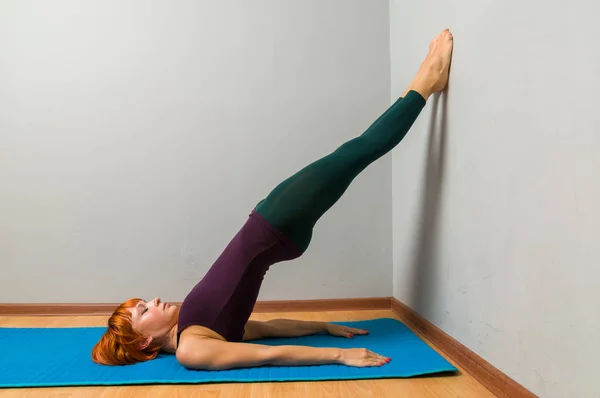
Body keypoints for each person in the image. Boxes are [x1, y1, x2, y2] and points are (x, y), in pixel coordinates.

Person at [91, 28, 454, 370]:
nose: (153, 301)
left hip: (277, 228)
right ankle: (425, 82)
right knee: (356, 152)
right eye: (143, 311)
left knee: (352, 156)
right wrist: (339, 355)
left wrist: (322, 327)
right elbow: (266, 353)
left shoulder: (194, 326)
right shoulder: (191, 347)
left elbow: (263, 329)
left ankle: (421, 85)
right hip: (275, 222)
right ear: (143, 342)